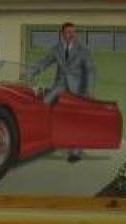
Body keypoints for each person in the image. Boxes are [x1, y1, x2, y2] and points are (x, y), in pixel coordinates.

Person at [27, 22, 97, 162]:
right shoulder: (56, 49)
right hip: (59, 85)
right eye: (68, 32)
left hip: (77, 88)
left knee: (75, 118)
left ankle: (75, 151)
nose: (72, 34)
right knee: (43, 106)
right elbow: (44, 62)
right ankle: (40, 141)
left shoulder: (83, 49)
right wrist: (30, 73)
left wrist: (89, 89)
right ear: (62, 34)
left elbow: (90, 70)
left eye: (74, 32)